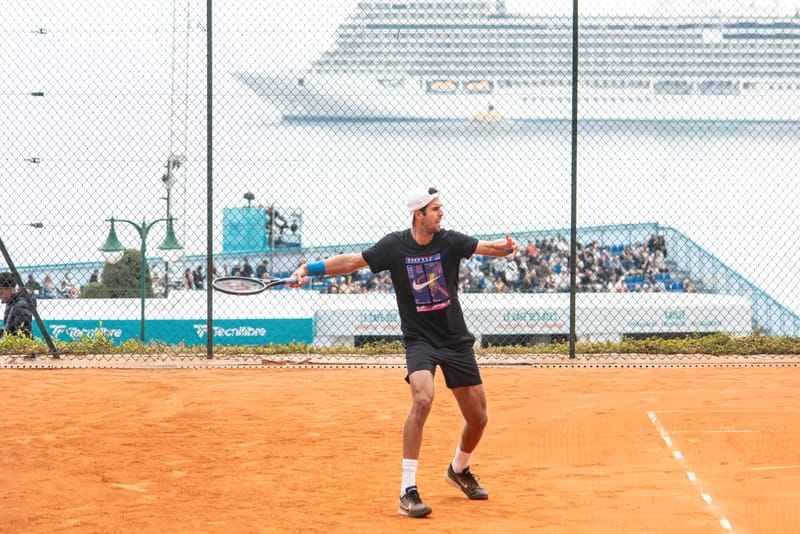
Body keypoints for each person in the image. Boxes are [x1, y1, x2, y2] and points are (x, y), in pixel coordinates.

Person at [289, 186, 520, 518]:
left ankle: (458, 470)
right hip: (420, 340)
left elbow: (487, 248)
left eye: (441, 208)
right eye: (436, 209)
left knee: (478, 417)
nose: (442, 213)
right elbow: (353, 262)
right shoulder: (394, 246)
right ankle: (407, 491)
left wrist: (505, 248)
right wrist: (306, 270)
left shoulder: (451, 241)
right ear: (418, 214)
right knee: (423, 398)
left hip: (455, 339)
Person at [0, 271, 34, 337]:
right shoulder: (11, 303)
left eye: (1, 291)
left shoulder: (20, 305)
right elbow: (11, 331)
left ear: (9, 289)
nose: (0, 295)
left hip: (19, 346)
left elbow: (23, 335)